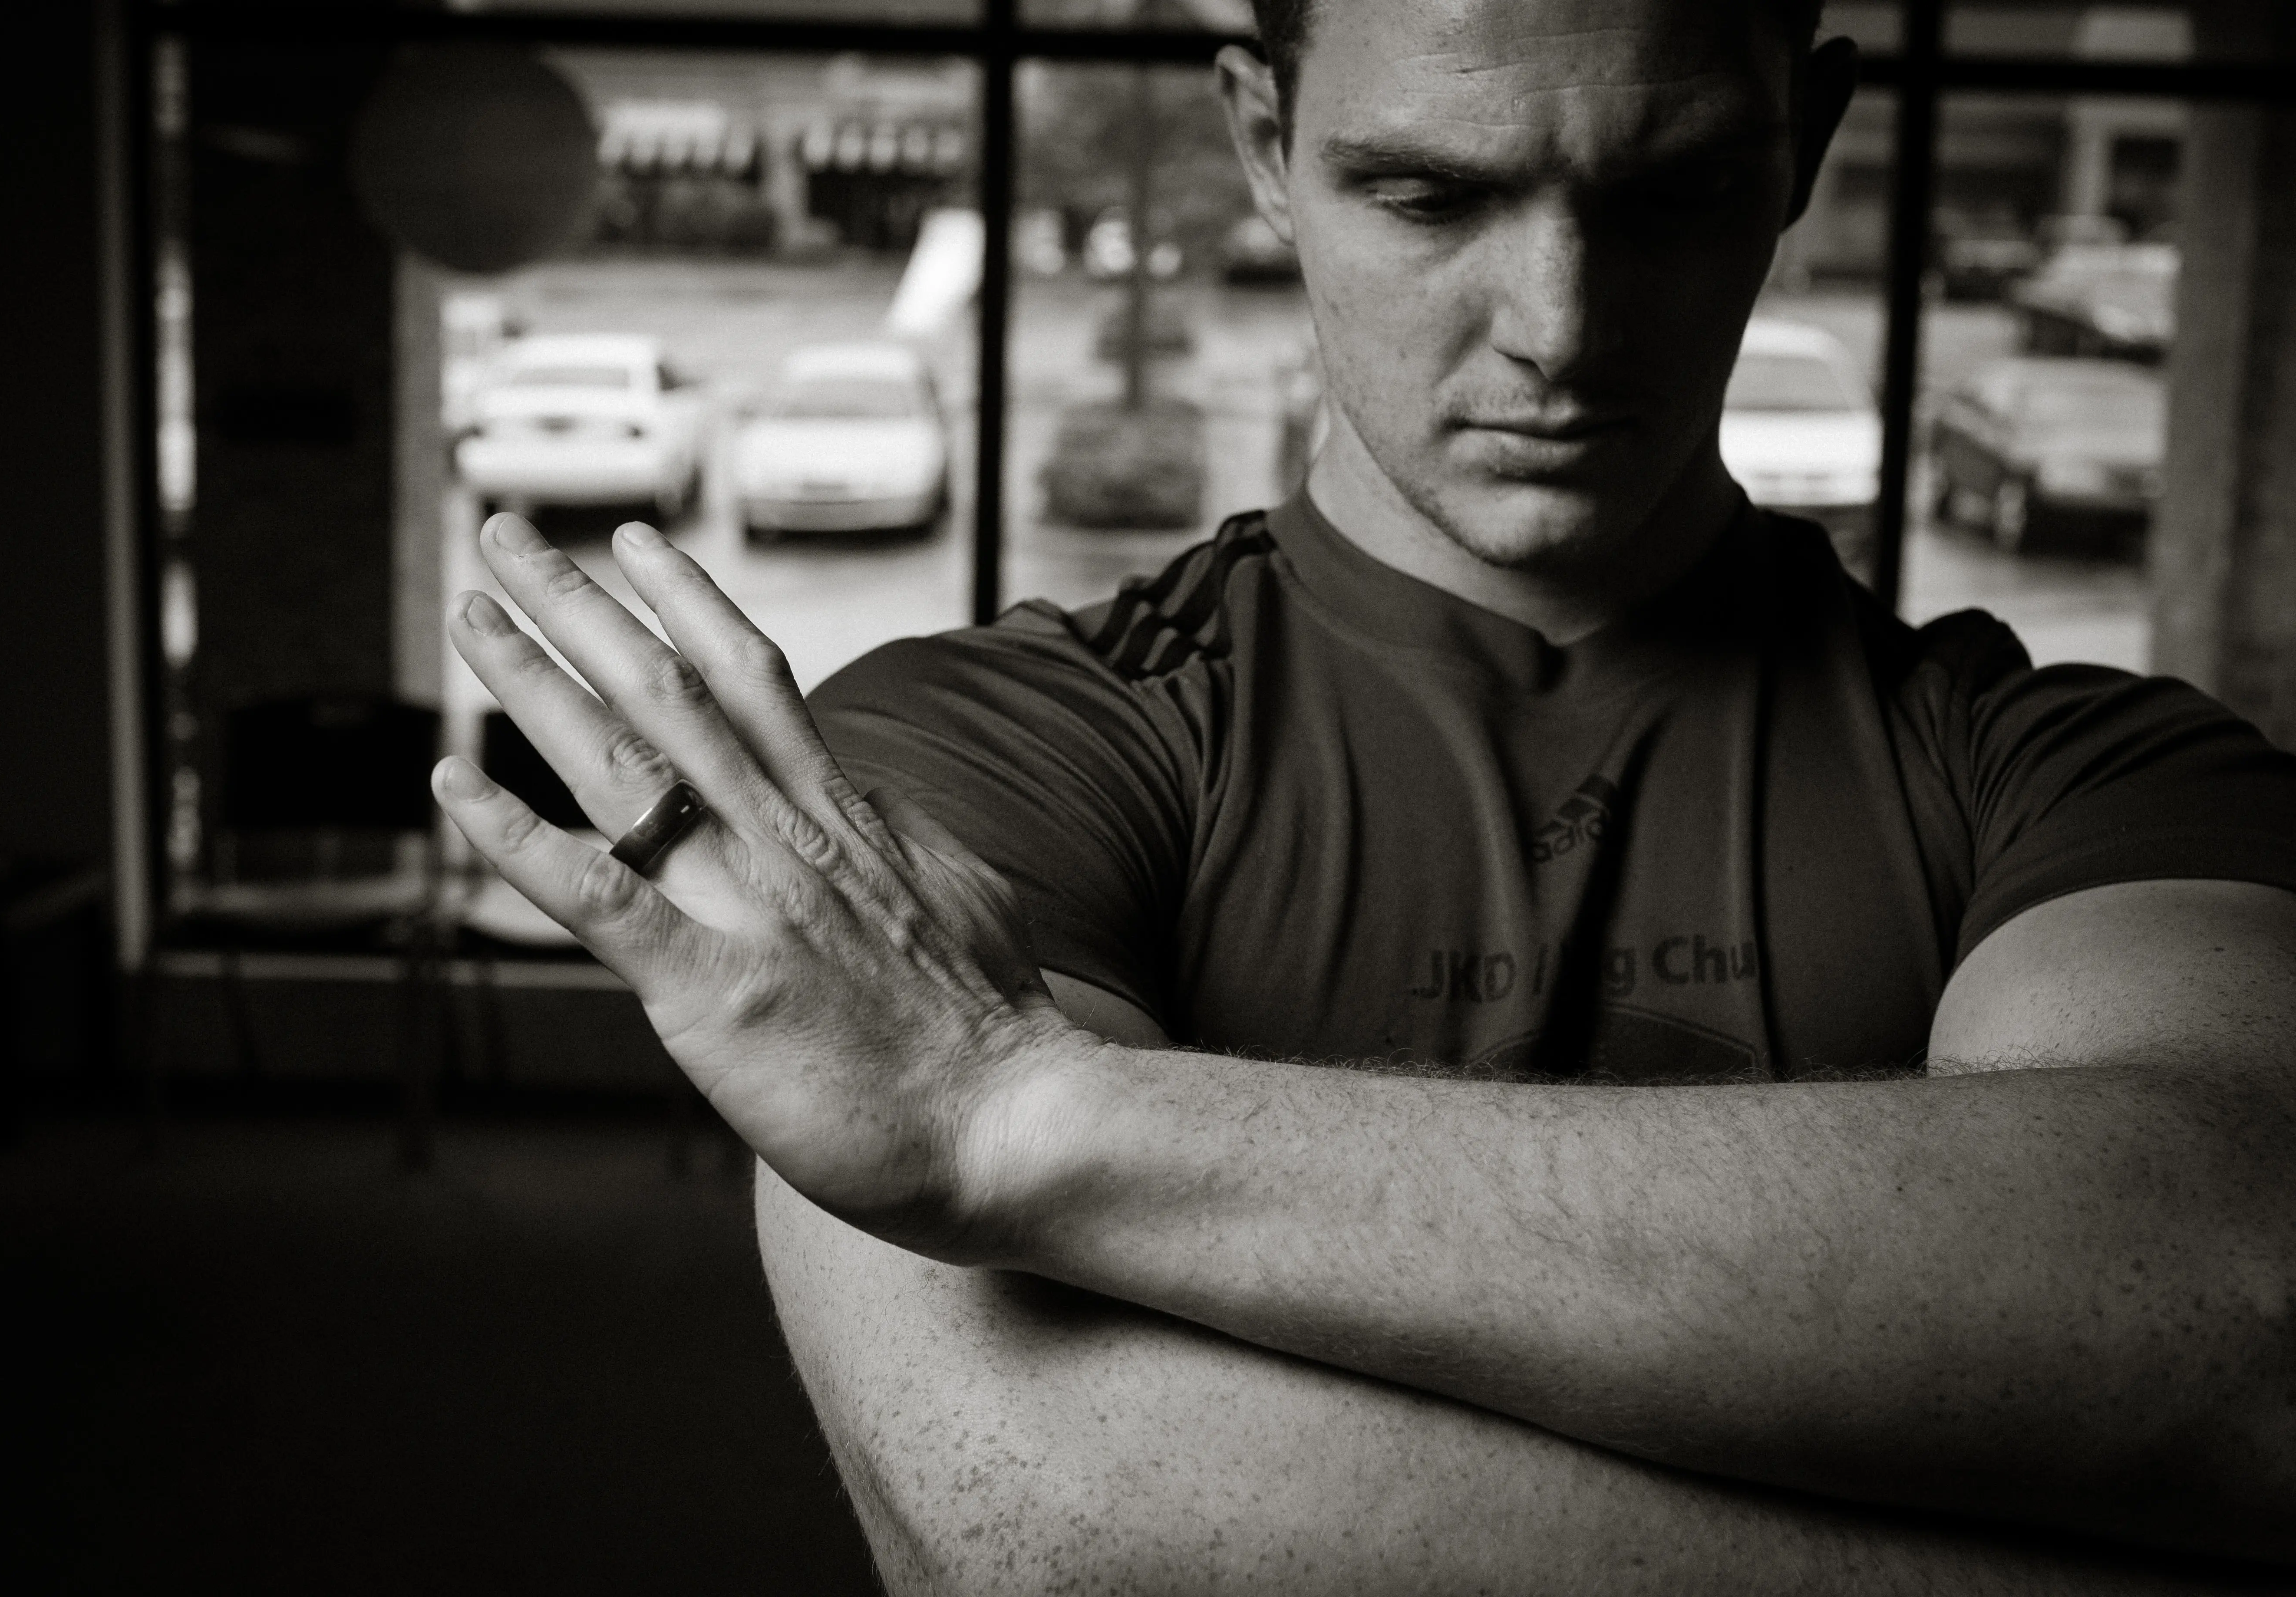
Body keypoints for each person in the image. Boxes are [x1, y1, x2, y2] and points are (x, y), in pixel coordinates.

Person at [429, 0, 2296, 1589]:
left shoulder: (2097, 775)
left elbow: (2235, 1309)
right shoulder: (978, 752)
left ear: (1800, 144)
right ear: (1262, 137)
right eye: (1426, 195)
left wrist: (1017, 1114)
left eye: (1665, 190)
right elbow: (1046, 1513)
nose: (1556, 328)